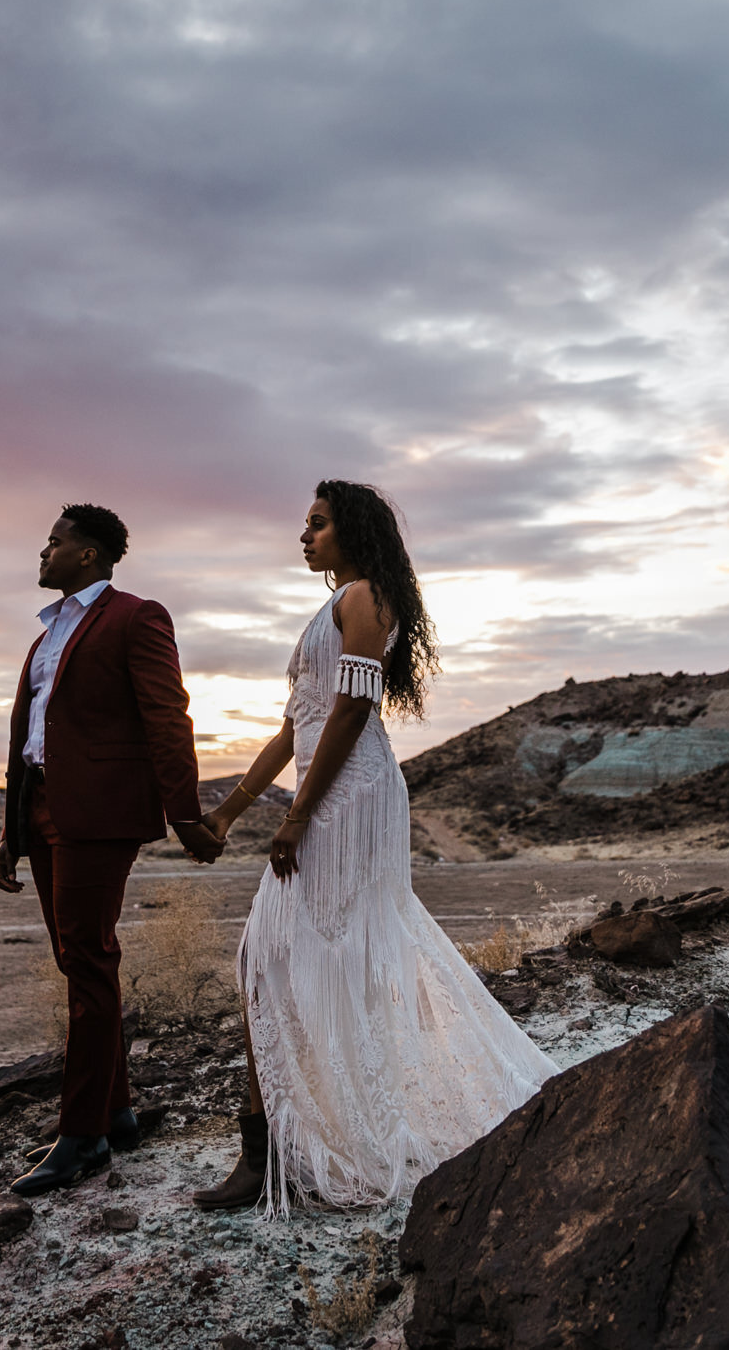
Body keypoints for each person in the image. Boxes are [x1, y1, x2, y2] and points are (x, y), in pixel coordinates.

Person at [192, 480, 556, 1212]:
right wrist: (230, 810)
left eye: (318, 524)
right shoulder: (333, 606)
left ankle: (272, 1148)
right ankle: (283, 1140)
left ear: (352, 530)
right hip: (330, 793)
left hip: (349, 799)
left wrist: (297, 815)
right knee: (279, 959)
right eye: (306, 524)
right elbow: (295, 725)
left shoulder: (364, 596)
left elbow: (355, 710)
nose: (305, 535)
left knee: (281, 956)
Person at [0, 502, 224, 1197]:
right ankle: (115, 1113)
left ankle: (82, 1136)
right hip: (41, 809)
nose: (43, 552)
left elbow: (166, 715)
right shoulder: (47, 635)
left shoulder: (136, 616)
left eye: (54, 542)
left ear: (87, 554)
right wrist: (12, 828)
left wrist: (185, 815)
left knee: (89, 961)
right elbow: (34, 734)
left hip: (98, 815)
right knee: (77, 959)